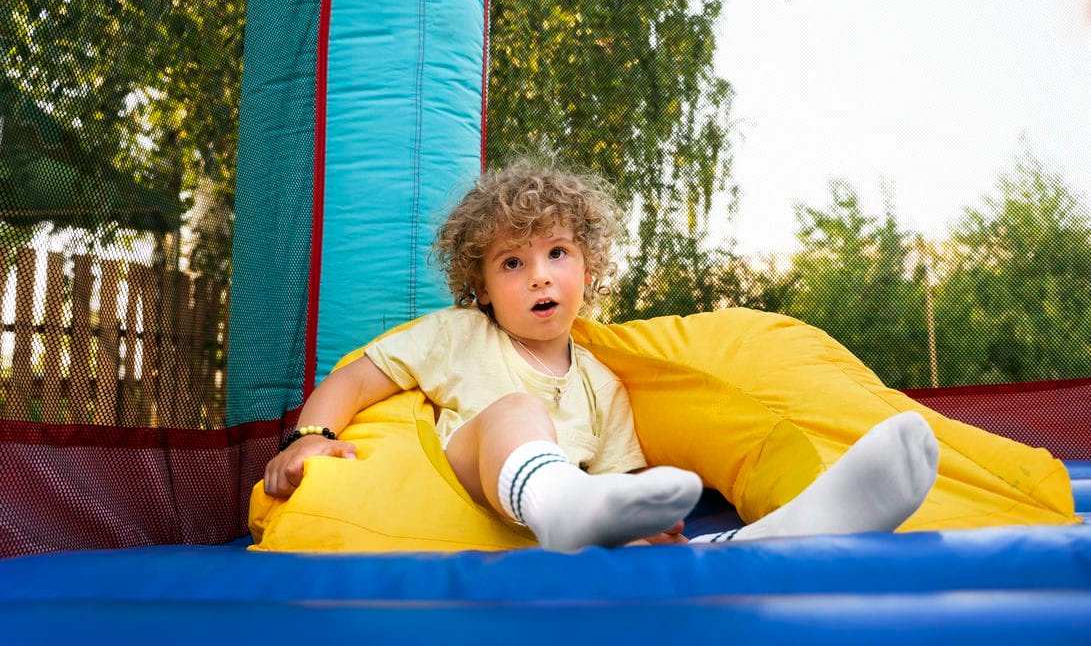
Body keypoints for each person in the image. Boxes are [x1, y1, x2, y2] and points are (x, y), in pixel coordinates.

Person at [263, 160, 940, 553]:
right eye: (511, 262)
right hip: (465, 485)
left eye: (557, 253)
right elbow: (355, 378)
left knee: (657, 540)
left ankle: (782, 539)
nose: (538, 277)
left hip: (553, 525)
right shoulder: (458, 336)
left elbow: (626, 485)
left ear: (587, 266)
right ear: (480, 285)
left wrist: (647, 526)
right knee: (516, 409)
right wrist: (310, 437)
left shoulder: (601, 382)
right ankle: (560, 500)